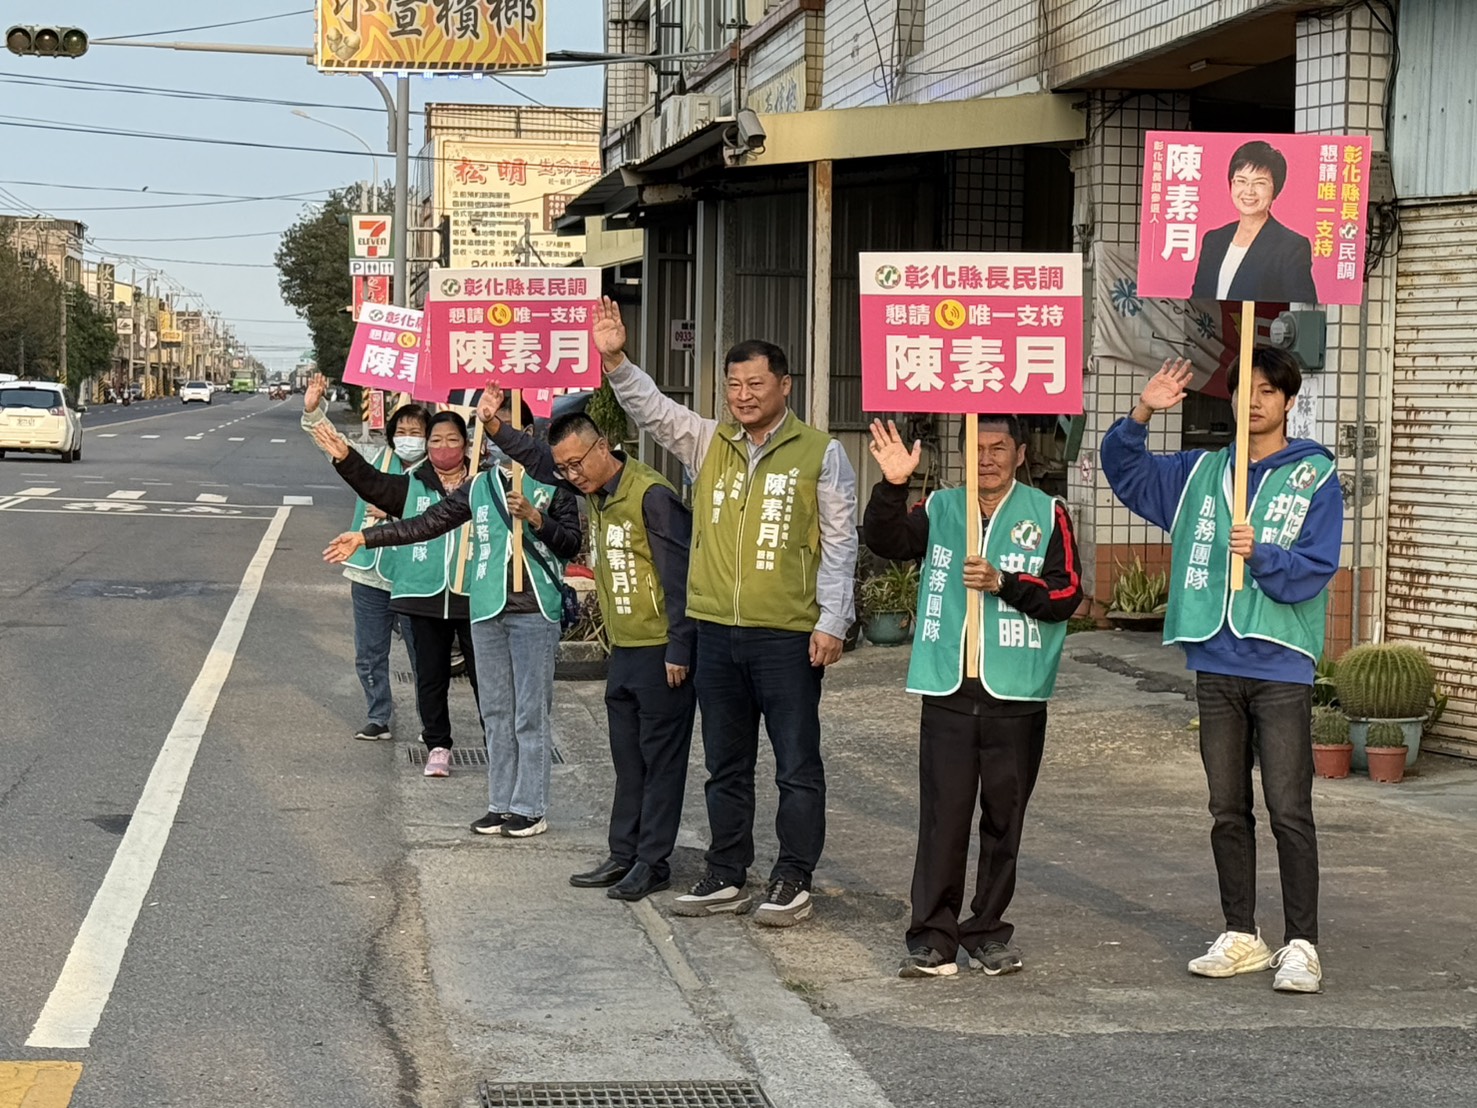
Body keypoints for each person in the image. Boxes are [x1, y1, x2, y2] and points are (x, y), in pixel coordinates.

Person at [595, 298, 858, 927]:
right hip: (717, 633)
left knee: (796, 763)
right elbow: (653, 411)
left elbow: (841, 541)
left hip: (787, 637)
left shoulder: (821, 453)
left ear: (784, 386)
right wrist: (615, 361)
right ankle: (726, 871)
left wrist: (832, 620)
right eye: (733, 384)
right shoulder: (710, 441)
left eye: (755, 384)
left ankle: (793, 876)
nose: (743, 395)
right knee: (725, 763)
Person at [1101, 349, 1342, 993]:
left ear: (1290, 401)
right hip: (1216, 660)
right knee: (1226, 808)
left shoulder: (1314, 475)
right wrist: (1145, 409)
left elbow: (1317, 566)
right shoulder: (1202, 472)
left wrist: (1260, 553)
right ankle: (1242, 932)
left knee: (1290, 808)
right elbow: (1124, 471)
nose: (1255, 402)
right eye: (1244, 391)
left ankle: (1302, 944)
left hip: (1281, 662)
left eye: (1268, 391)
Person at [863, 416, 1082, 978]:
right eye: (977, 447)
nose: (986, 458)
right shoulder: (942, 508)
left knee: (1004, 820)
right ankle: (933, 936)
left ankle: (986, 930)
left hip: (1017, 690)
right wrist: (892, 486)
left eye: (999, 448)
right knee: (944, 817)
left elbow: (1067, 594)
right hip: (949, 688)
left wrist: (1006, 582)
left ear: (1020, 453)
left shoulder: (1046, 511)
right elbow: (885, 540)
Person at [477, 384, 697, 901]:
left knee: (660, 762)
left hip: (661, 650)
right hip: (622, 647)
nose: (571, 476)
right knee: (628, 760)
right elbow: (538, 460)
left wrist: (680, 648)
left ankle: (653, 861)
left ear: (604, 447)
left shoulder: (651, 496)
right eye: (566, 470)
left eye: (578, 465)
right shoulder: (591, 490)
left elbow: (680, 579)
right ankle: (623, 853)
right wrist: (494, 428)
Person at [324, 399, 581, 838]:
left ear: (530, 433)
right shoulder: (480, 486)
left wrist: (536, 518)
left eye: (507, 427)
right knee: (498, 712)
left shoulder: (554, 484)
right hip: (486, 609)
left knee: (530, 715)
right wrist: (366, 538)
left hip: (534, 611)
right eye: (490, 427)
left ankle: (531, 807)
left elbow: (570, 545)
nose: (499, 437)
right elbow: (425, 523)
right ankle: (500, 803)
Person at [312, 411, 484, 779]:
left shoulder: (484, 483)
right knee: (429, 675)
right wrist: (345, 457)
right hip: (422, 594)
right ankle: (438, 744)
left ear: (466, 443)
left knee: (486, 676)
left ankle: (498, 740)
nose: (443, 447)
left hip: (474, 594)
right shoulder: (412, 485)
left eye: (452, 439)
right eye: (435, 441)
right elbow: (373, 484)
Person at [301, 373, 428, 742]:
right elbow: (334, 446)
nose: (408, 436)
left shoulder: (435, 472)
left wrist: (392, 512)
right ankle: (378, 716)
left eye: (416, 430)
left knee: (424, 657)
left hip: (414, 576)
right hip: (369, 577)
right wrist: (313, 411)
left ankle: (430, 724)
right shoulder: (374, 458)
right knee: (369, 653)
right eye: (401, 429)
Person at [1191, 140, 1317, 303]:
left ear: (1275, 190)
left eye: (1260, 183)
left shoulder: (1292, 246)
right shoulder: (1213, 239)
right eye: (1241, 181)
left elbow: (1303, 308)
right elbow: (1196, 302)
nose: (1249, 191)